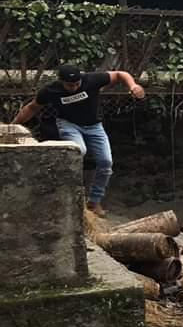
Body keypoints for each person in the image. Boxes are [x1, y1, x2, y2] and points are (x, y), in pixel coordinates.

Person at [11, 65, 145, 216]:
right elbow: (32, 108)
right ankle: (66, 193)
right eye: (70, 85)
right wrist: (12, 126)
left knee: (106, 162)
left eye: (77, 84)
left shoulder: (92, 80)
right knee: (79, 151)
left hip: (94, 126)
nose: (74, 88)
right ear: (61, 82)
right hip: (68, 125)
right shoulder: (50, 90)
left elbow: (120, 74)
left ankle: (94, 202)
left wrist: (133, 85)